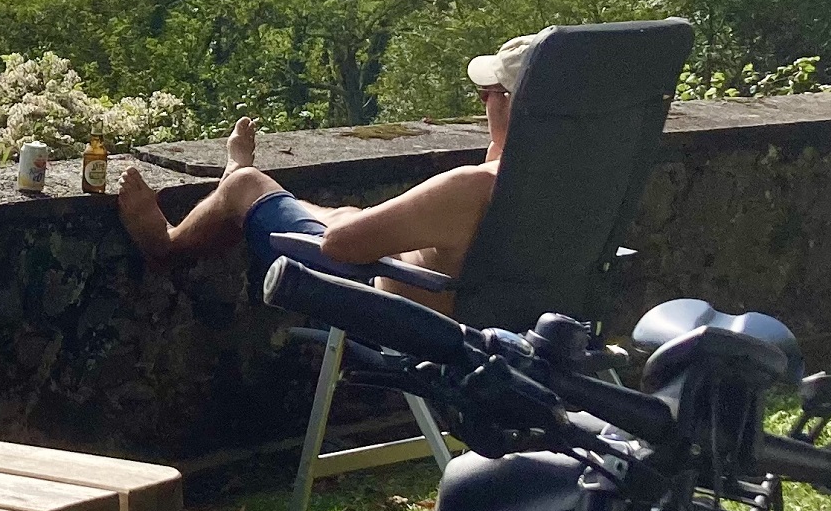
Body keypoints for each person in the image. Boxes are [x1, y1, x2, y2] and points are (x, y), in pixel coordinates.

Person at [113, 32, 543, 308]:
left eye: (488, 94)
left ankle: (169, 240)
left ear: (509, 103)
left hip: (400, 310)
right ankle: (236, 186)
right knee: (351, 214)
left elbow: (341, 247)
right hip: (520, 334)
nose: (483, 104)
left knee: (252, 187)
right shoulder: (584, 188)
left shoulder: (470, 189)